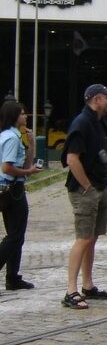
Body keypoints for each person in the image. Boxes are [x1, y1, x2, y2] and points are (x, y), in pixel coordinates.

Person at [61, 84, 107, 309]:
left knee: (92, 238)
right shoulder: (83, 123)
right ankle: (71, 291)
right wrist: (87, 187)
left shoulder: (97, 122)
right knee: (83, 238)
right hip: (86, 189)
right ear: (96, 99)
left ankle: (87, 285)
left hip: (99, 185)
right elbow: (71, 159)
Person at [0, 100, 40, 293]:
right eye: (23, 113)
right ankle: (11, 276)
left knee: (16, 235)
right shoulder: (12, 138)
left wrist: (31, 144)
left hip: (11, 188)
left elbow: (25, 164)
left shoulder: (12, 136)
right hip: (12, 189)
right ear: (14, 116)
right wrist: (29, 172)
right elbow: (7, 167)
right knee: (15, 236)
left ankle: (13, 278)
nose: (26, 116)